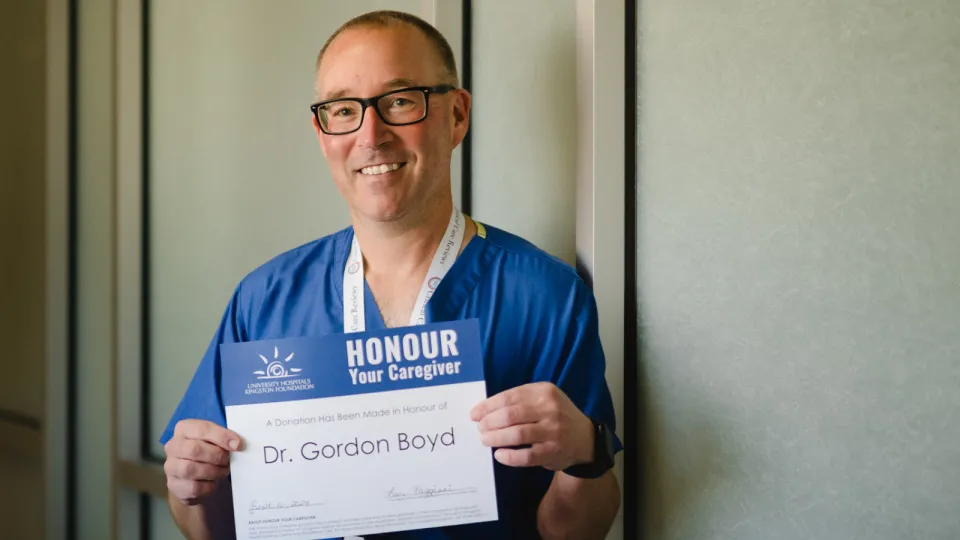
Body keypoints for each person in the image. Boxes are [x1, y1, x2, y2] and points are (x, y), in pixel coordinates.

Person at [160, 10, 621, 540]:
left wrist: (586, 453)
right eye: (342, 109)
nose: (370, 135)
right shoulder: (264, 300)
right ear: (321, 130)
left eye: (400, 101)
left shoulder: (545, 297)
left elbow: (576, 533)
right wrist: (190, 487)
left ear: (457, 115)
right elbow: (209, 529)